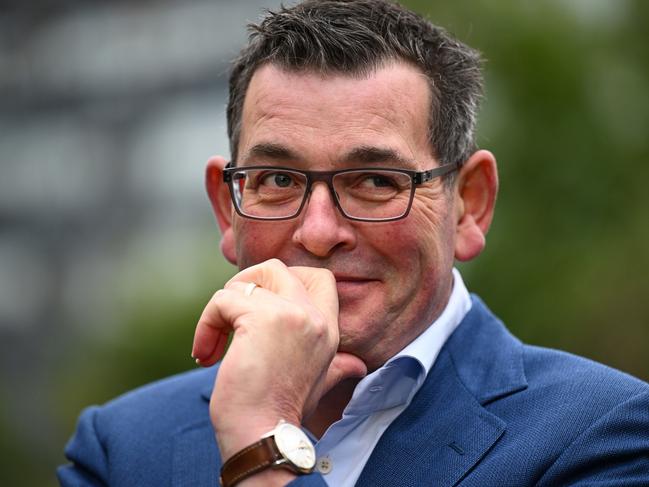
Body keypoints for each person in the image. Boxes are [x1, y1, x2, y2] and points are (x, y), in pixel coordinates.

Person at [58, 1, 649, 486]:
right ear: (225, 208)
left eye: (374, 182)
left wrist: (262, 441)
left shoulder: (605, 437)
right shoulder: (122, 449)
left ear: (469, 204)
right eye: (279, 180)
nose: (317, 233)